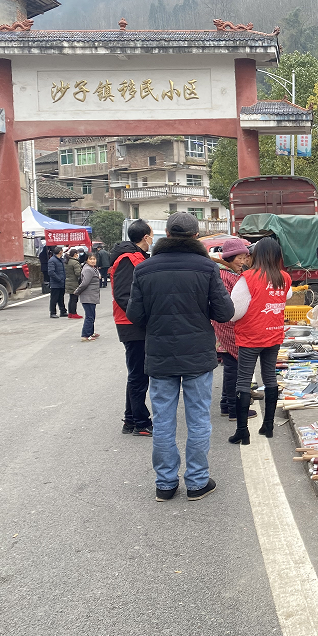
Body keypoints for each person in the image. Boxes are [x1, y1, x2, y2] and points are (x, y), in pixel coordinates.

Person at [126, 212, 234, 502]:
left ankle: (165, 484)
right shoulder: (206, 268)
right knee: (198, 419)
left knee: (163, 421)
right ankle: (197, 482)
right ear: (196, 236)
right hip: (198, 354)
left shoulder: (145, 269)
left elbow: (134, 315)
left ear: (166, 236)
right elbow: (225, 312)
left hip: (160, 355)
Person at [229, 237, 292, 444]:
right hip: (273, 335)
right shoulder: (284, 278)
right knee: (270, 379)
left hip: (250, 336)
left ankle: (242, 432)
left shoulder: (247, 277)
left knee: (243, 381)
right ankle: (269, 426)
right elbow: (287, 296)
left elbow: (234, 311)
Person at [109, 219, 154, 436]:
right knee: (138, 374)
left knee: (136, 372)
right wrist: (142, 317)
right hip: (131, 323)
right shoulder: (128, 259)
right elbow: (123, 295)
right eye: (152, 235)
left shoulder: (136, 257)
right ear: (146, 237)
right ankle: (141, 422)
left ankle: (130, 419)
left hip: (132, 322)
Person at [210, 238, 256, 421]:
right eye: (240, 258)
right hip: (226, 327)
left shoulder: (227, 273)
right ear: (229, 257)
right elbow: (229, 305)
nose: (243, 262)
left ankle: (225, 405)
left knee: (230, 367)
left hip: (224, 326)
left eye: (245, 258)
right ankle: (233, 409)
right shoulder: (224, 275)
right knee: (233, 369)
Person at [75, 251, 101, 341]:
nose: (93, 261)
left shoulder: (92, 268)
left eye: (94, 259)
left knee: (92, 315)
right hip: (88, 296)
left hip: (92, 296)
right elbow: (85, 283)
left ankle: (91, 332)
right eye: (91, 259)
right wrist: (77, 291)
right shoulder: (88, 270)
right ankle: (85, 335)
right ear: (86, 260)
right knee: (90, 316)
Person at [47, 246, 68, 318]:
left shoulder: (61, 260)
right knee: (54, 298)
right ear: (60, 252)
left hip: (62, 282)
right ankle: (52, 312)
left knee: (61, 298)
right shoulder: (52, 260)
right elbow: (51, 272)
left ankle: (63, 311)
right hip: (55, 283)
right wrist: (59, 279)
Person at [64, 249, 83, 320]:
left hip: (68, 281)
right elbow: (78, 273)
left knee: (71, 298)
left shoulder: (67, 261)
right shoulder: (75, 262)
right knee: (74, 299)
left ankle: (70, 313)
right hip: (74, 282)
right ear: (75, 254)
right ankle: (74, 313)